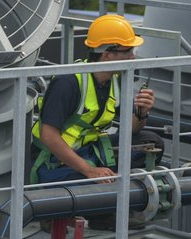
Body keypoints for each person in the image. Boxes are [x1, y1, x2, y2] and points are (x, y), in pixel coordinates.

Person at [29, 14, 158, 184]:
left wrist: (142, 112)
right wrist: (89, 170)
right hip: (55, 160)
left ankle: (115, 188)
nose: (132, 57)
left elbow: (131, 130)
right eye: (127, 51)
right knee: (95, 184)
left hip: (90, 148)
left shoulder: (116, 79)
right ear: (106, 55)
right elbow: (48, 136)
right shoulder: (68, 83)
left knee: (154, 143)